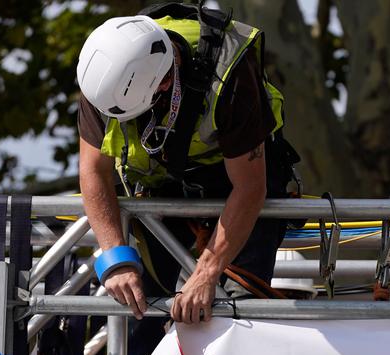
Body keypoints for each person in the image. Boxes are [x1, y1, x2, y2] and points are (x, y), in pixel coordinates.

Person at [75, 3, 299, 334]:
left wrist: (207, 273)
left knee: (237, 309)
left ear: (165, 83)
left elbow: (250, 187)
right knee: (137, 305)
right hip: (162, 180)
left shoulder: (230, 73)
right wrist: (115, 257)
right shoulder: (106, 78)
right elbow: (94, 171)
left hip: (239, 181)